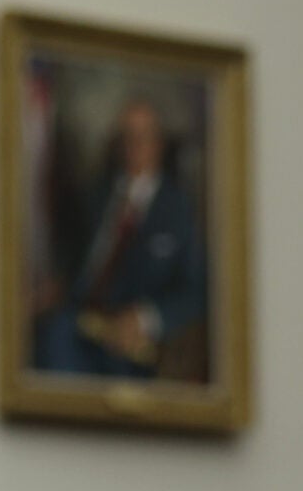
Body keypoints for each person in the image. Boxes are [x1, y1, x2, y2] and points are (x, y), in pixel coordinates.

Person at [31, 97, 207, 381]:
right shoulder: (96, 196)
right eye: (126, 136)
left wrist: (146, 319)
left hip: (131, 343)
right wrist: (54, 286)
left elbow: (196, 291)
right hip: (76, 319)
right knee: (51, 334)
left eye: (143, 136)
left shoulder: (178, 209)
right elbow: (72, 259)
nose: (134, 145)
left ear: (158, 143)